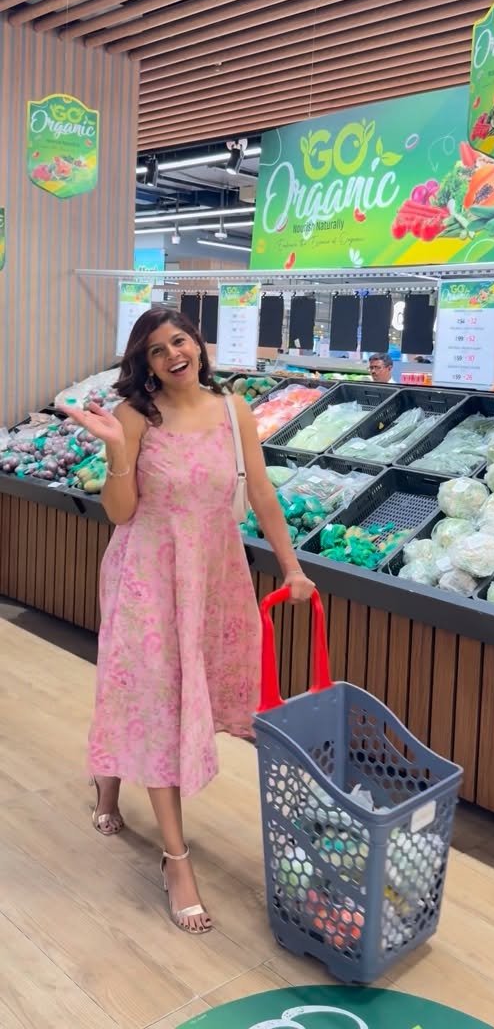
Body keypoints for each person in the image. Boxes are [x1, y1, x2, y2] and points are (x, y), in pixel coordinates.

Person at [61, 306, 315, 935]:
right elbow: (120, 513)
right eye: (156, 349)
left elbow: (261, 492)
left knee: (158, 699)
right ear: (144, 363)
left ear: (198, 345)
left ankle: (108, 779)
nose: (172, 355)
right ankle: (176, 860)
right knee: (156, 700)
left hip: (211, 574)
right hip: (147, 573)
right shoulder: (135, 416)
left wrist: (292, 568)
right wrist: (117, 451)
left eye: (179, 341)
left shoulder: (233, 410)